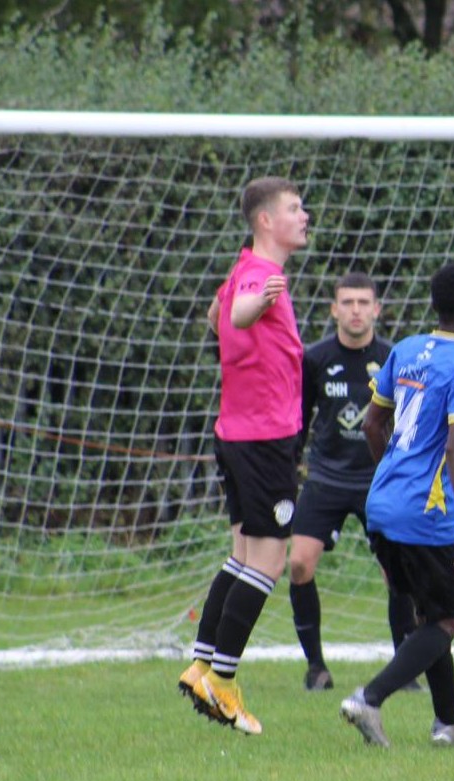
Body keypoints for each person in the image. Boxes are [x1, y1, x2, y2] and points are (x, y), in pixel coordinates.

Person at [339, 261, 454, 748]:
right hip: (426, 512)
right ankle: (368, 700)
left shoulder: (406, 349)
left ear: (434, 304)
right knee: (446, 621)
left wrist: (393, 476)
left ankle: (450, 721)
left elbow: (373, 425)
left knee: (428, 617)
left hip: (382, 502)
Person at [178, 176, 310, 735]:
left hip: (235, 434)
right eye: (295, 208)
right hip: (263, 441)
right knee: (270, 562)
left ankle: (201, 663)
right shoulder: (263, 275)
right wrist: (255, 305)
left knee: (241, 554)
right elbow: (234, 318)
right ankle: (224, 684)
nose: (305, 216)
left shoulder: (239, 269)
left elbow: (215, 316)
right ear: (265, 221)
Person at [289, 272, 419, 692]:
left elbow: (409, 422)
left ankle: (404, 668)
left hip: (378, 479)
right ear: (334, 309)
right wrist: (289, 469)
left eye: (364, 303)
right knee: (298, 564)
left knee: (397, 574)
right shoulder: (315, 358)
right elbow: (299, 420)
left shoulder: (394, 358)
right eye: (347, 303)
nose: (356, 310)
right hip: (325, 478)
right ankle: (316, 668)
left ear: (377, 309)